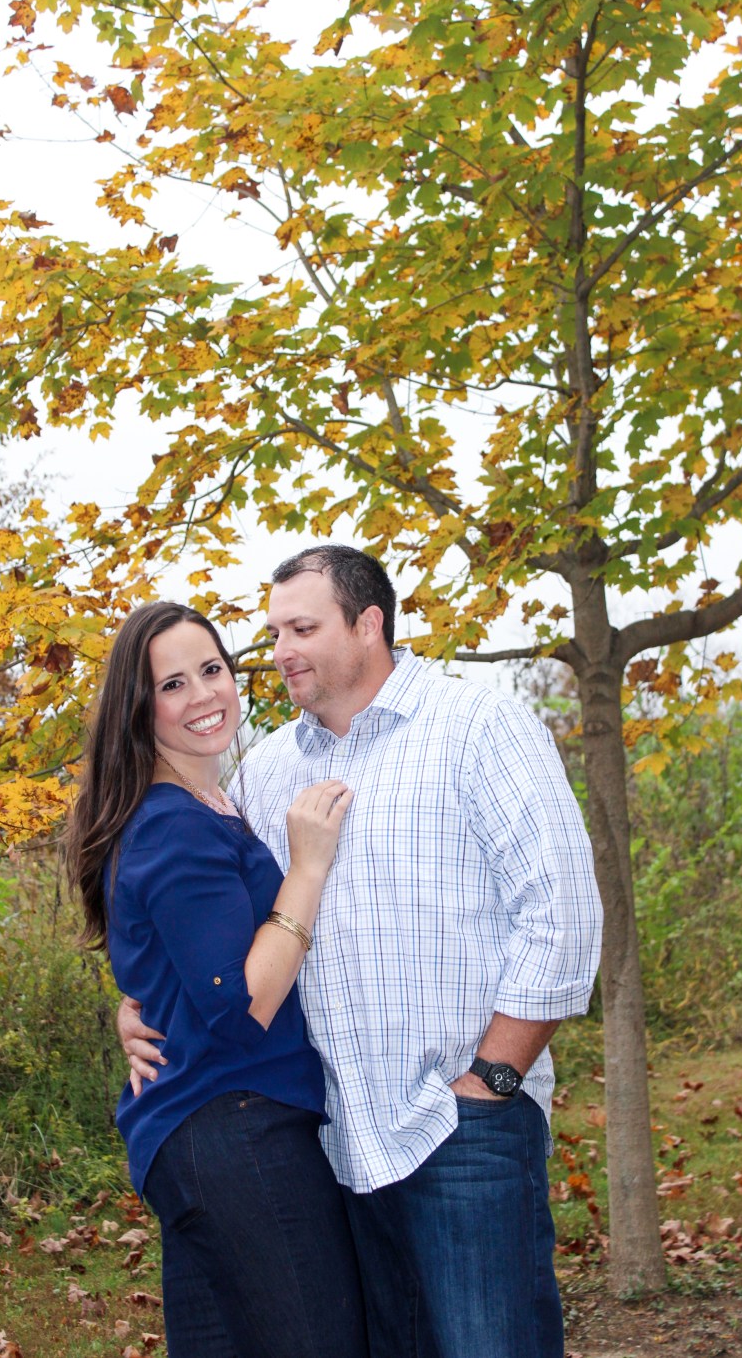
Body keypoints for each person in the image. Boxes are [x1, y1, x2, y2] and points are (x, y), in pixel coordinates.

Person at [120, 548, 604, 1358]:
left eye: (302, 628)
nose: (279, 652)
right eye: (273, 632)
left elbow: (562, 915)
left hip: (464, 1127)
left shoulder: (476, 726)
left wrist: (492, 1079)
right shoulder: (265, 771)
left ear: (368, 624)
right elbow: (208, 929)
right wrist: (135, 1004)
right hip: (338, 1143)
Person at [65, 600, 368, 1358]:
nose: (203, 695)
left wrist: (133, 1007)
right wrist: (307, 867)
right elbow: (240, 1005)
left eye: (212, 669)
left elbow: (176, 960)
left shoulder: (205, 807)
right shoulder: (172, 822)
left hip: (204, 1133)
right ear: (139, 710)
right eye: (172, 685)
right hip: (236, 1127)